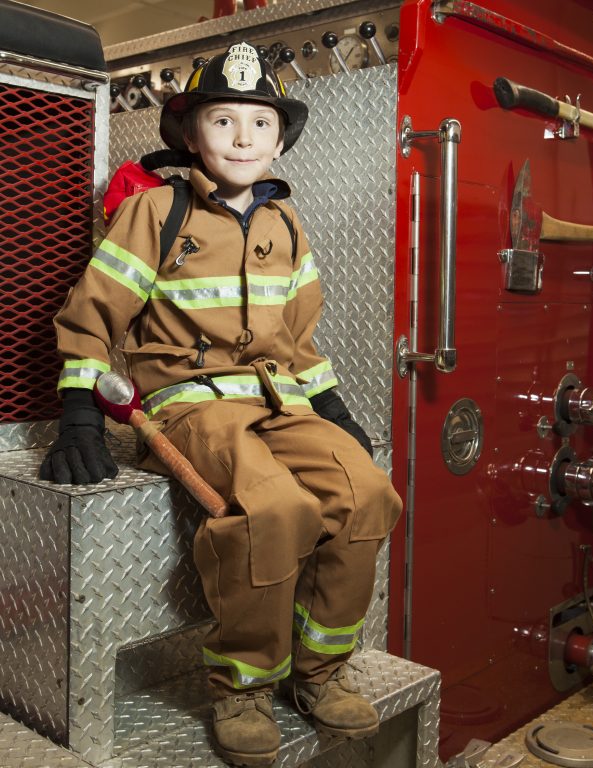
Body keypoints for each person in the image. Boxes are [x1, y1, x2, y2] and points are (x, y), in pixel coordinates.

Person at [40, 42, 402, 767]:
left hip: (282, 401)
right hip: (191, 408)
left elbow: (298, 337)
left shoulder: (286, 226)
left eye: (261, 123)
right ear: (189, 135)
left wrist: (331, 407)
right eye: (223, 120)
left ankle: (320, 670)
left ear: (279, 137)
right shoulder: (153, 212)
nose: (243, 137)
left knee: (368, 495)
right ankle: (243, 685)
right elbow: (92, 315)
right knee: (276, 510)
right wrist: (80, 408)